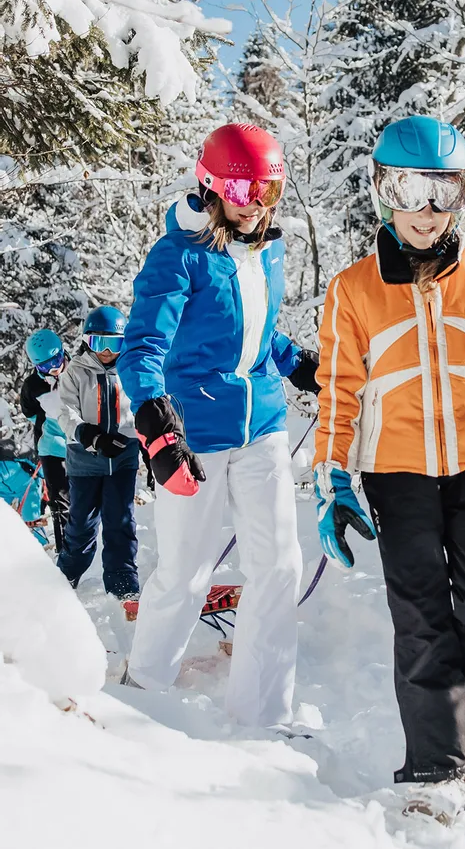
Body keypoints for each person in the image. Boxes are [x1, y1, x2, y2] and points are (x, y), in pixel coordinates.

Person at [312, 115, 465, 824]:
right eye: (408, 188)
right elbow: (340, 393)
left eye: (441, 191)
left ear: (463, 194)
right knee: (420, 615)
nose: (425, 210)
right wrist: (334, 479)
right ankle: (437, 772)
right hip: (397, 472)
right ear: (381, 191)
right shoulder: (353, 290)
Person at [117, 122, 319, 727]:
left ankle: (263, 715)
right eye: (241, 191)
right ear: (210, 188)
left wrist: (299, 364)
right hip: (196, 433)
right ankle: (143, 692)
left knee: (279, 566)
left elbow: (255, 335)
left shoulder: (269, 249)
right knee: (186, 569)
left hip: (263, 425)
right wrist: (156, 424)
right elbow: (142, 347)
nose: (256, 206)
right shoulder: (179, 254)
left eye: (268, 192)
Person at [57, 306, 140, 600]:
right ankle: (66, 574)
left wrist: (141, 440)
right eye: (98, 343)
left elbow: (144, 407)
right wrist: (88, 435)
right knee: (81, 523)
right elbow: (65, 411)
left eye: (113, 344)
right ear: (86, 341)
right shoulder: (75, 372)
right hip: (84, 462)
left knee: (121, 521)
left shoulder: (130, 371)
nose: (106, 352)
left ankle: (122, 581)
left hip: (123, 458)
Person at [20, 329, 70, 551]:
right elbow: (29, 411)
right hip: (52, 447)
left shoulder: (79, 371)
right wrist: (46, 422)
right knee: (60, 501)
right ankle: (65, 552)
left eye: (57, 360)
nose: (54, 368)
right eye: (45, 366)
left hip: (81, 444)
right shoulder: (33, 386)